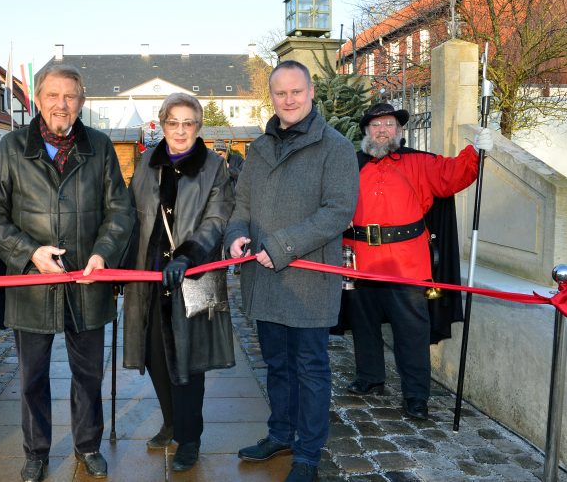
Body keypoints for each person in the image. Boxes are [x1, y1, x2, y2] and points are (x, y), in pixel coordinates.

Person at [0, 64, 135, 482]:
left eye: (70, 97)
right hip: (32, 283)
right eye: (53, 96)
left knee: (89, 374)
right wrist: (29, 253)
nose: (61, 105)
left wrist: (103, 254)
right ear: (38, 100)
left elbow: (120, 210)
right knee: (32, 377)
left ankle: (88, 445)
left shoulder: (99, 147)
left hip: (88, 281)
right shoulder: (10, 148)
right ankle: (35, 451)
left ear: (81, 102)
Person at [224, 60, 359, 482]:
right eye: (280, 93)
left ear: (311, 92)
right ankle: (280, 433)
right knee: (277, 365)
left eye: (296, 91)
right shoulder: (260, 147)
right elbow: (240, 204)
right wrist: (236, 234)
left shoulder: (335, 147)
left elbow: (338, 211)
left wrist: (282, 246)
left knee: (311, 369)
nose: (288, 99)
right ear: (273, 97)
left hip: (309, 280)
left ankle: (307, 453)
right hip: (264, 279)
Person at [344, 102, 493, 420]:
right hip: (359, 260)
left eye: (388, 124)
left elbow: (453, 175)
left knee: (411, 331)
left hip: (407, 263)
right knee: (363, 324)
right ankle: (370, 377)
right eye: (376, 125)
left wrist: (475, 152)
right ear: (366, 131)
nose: (382, 130)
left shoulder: (420, 163)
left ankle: (415, 394)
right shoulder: (351, 165)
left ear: (399, 131)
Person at [123, 93, 236, 472]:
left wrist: (190, 253)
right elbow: (130, 214)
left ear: (198, 127)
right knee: (155, 355)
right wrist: (121, 262)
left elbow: (218, 218)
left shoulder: (214, 167)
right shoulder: (146, 162)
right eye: (174, 122)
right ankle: (170, 420)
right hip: (149, 278)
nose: (181, 130)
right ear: (162, 124)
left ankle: (190, 436)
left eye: (189, 123)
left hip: (195, 276)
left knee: (192, 360)